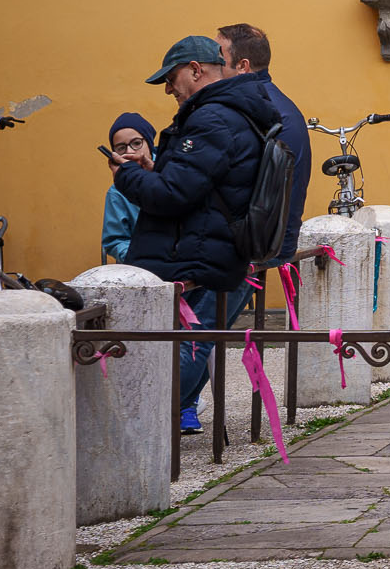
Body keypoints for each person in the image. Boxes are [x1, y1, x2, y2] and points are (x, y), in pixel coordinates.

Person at [110, 36, 278, 431]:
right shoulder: (237, 111)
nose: (169, 89)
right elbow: (201, 185)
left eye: (171, 79)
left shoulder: (212, 117)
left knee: (180, 353)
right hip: (211, 249)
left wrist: (128, 176)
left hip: (195, 257)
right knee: (191, 347)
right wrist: (157, 173)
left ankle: (145, 435)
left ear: (195, 70)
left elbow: (173, 195)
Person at [218, 23, 313, 259]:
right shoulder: (276, 103)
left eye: (218, 56)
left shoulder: (255, 109)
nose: (212, 63)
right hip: (269, 243)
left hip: (252, 250)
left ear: (242, 66)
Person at [101, 113, 154, 263]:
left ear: (149, 144)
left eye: (136, 143)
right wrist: (142, 260)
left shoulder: (173, 174)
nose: (129, 152)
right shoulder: (117, 193)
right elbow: (115, 241)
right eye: (121, 148)